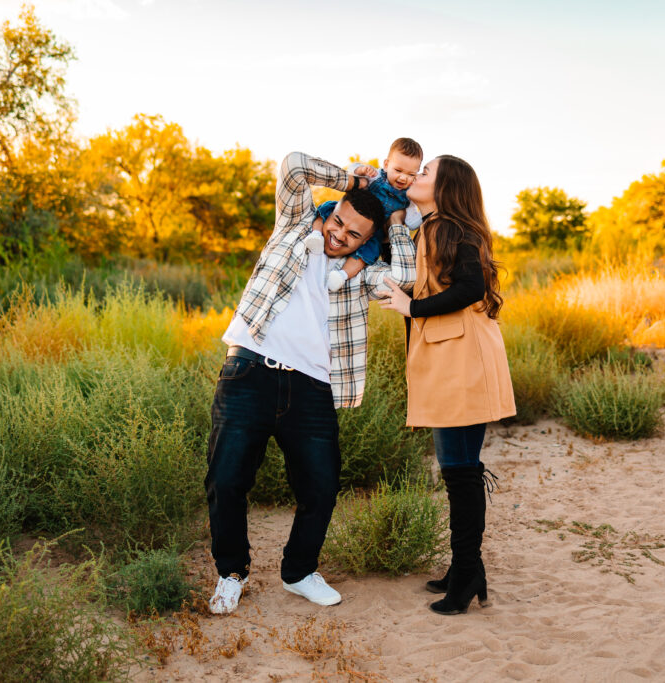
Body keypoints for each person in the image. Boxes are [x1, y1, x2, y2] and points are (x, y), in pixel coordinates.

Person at [205, 151, 416, 615]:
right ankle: (231, 573)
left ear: (368, 241)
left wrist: (396, 219)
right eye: (338, 222)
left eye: (353, 234)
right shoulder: (296, 225)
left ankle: (299, 573)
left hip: (312, 389)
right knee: (226, 480)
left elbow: (406, 274)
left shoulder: (360, 274)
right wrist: (354, 179)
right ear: (331, 211)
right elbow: (295, 166)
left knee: (320, 487)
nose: (339, 235)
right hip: (249, 371)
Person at [378, 155, 515, 615]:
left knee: (459, 470)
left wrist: (411, 307)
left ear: (445, 187)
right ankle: (464, 569)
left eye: (425, 173)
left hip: (460, 357)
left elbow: (471, 287)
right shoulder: (436, 226)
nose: (415, 177)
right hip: (451, 353)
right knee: (458, 467)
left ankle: (467, 572)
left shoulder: (447, 227)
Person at [326, 137, 424, 292]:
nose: (403, 178)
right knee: (327, 209)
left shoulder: (409, 197)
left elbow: (412, 223)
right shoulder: (376, 176)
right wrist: (361, 170)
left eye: (411, 174)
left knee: (367, 254)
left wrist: (423, 206)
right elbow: (350, 169)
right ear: (386, 165)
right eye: (398, 170)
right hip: (351, 219)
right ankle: (316, 237)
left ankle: (342, 275)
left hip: (374, 234)